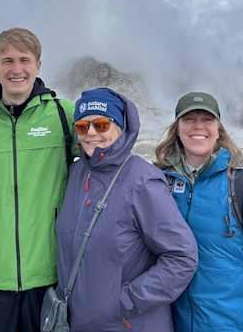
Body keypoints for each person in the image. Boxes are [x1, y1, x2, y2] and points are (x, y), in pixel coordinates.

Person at [0, 28, 75, 332]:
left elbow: (109, 151)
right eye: (7, 60)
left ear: (38, 65)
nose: (16, 69)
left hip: (50, 274)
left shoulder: (65, 115)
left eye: (25, 60)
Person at [54, 89, 198, 331]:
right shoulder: (77, 174)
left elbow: (182, 257)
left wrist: (125, 302)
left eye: (101, 124)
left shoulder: (143, 181)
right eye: (82, 126)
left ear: (120, 127)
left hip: (128, 323)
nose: (91, 133)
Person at [155, 91, 243, 331]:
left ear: (218, 129)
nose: (198, 126)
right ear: (177, 128)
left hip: (234, 325)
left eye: (207, 119)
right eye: (189, 119)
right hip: (174, 323)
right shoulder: (159, 182)